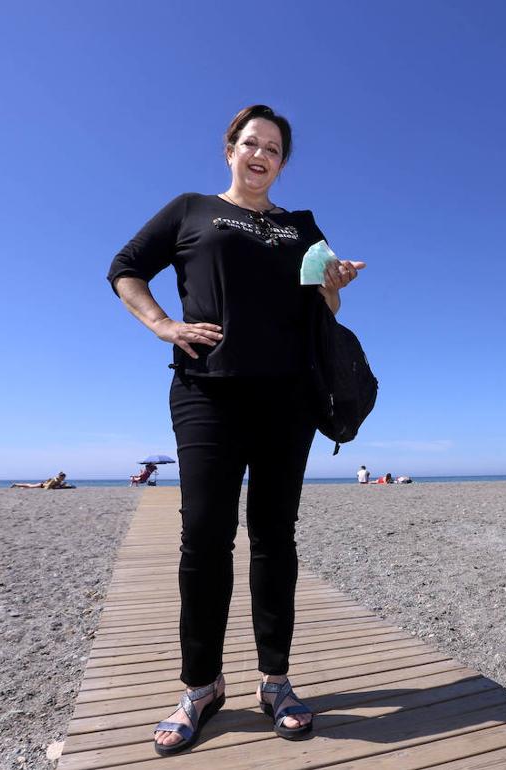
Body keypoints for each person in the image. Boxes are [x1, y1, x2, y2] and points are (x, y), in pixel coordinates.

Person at [107, 105, 366, 755]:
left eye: (274, 148)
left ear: (283, 162)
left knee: (276, 538)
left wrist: (334, 284)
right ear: (230, 149)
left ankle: (275, 680)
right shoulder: (191, 210)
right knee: (204, 539)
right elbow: (126, 268)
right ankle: (200, 686)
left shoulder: (301, 225)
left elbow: (323, 302)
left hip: (289, 398)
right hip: (207, 394)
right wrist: (164, 325)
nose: (261, 154)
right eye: (251, 142)